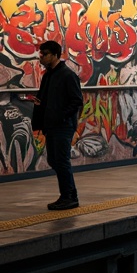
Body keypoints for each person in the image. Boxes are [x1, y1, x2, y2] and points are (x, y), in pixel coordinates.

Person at [30, 40, 84, 210]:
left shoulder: (68, 75)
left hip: (63, 125)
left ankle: (68, 197)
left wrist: (61, 117)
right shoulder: (48, 75)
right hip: (51, 125)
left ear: (54, 55)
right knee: (54, 159)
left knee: (60, 160)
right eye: (40, 53)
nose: (41, 57)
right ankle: (70, 194)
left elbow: (77, 100)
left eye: (44, 54)